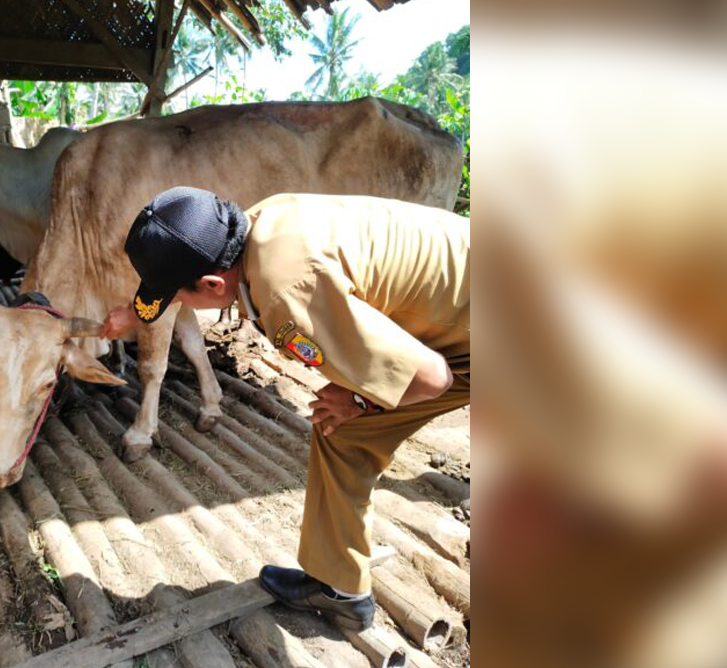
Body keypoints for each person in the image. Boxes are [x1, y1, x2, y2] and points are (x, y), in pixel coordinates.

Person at [101, 186, 470, 630]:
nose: (177, 305)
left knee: (344, 422)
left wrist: (358, 398)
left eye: (179, 299)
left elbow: (431, 378)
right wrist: (134, 315)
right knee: (345, 431)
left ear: (214, 285)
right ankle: (341, 587)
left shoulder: (285, 294)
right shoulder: (257, 224)